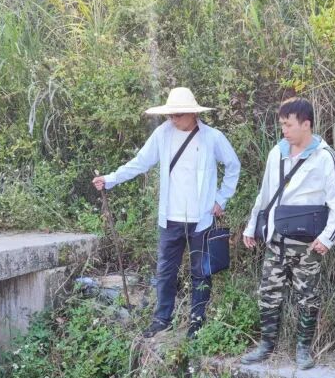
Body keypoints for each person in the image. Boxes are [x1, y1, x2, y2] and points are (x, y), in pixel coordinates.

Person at [92, 87, 241, 338]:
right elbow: (140, 162)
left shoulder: (212, 137)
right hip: (170, 217)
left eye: (178, 114)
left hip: (202, 217)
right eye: (171, 114)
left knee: (201, 272)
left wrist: (221, 199)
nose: (173, 119)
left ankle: (197, 322)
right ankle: (162, 319)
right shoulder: (162, 134)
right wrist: (110, 179)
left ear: (193, 113)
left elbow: (233, 165)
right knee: (165, 271)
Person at [239, 97, 335, 370]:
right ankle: (266, 345)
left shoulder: (324, 156)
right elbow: (265, 193)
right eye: (282, 125)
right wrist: (252, 226)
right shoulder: (277, 153)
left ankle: (303, 349)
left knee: (307, 296)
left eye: (288, 125)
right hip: (276, 238)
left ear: (306, 124)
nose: (284, 130)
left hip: (307, 242)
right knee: (268, 292)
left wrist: (327, 237)